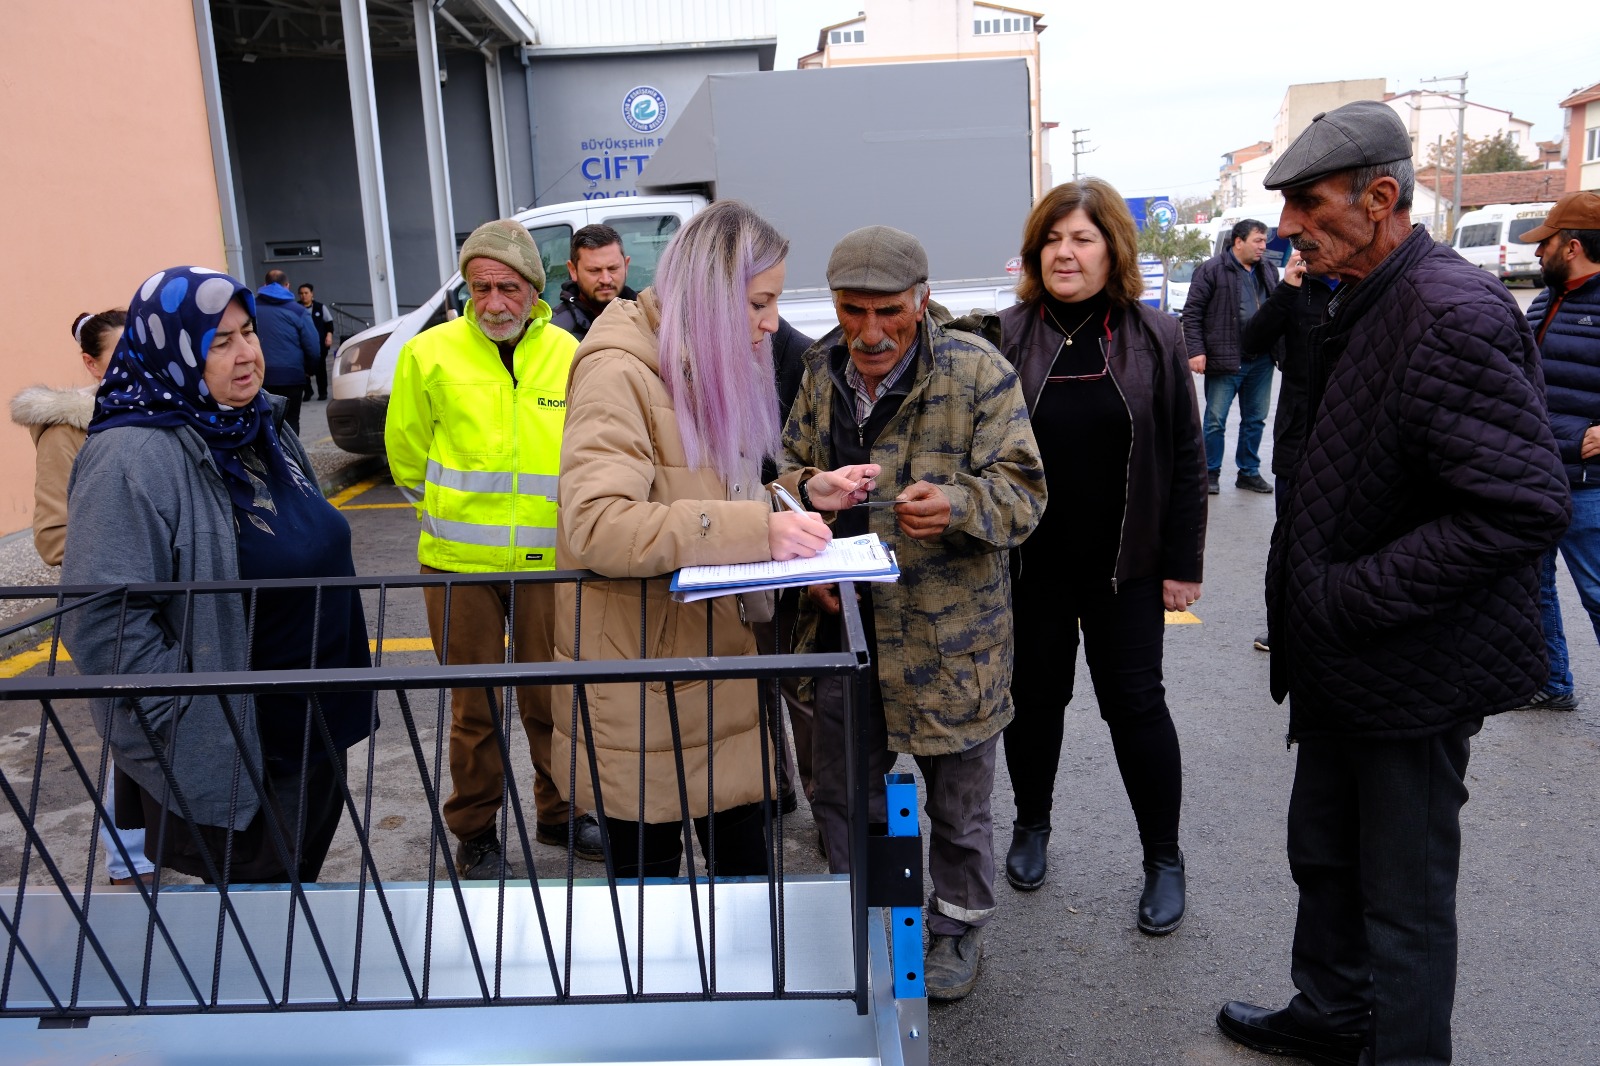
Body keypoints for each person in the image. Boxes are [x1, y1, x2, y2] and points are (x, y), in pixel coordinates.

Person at [1218, 101, 1569, 1066]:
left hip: (1411, 665)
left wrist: (1349, 596)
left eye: (1307, 203)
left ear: (1381, 198)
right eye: (1283, 204)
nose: (1288, 226)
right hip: (1342, 659)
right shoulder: (1348, 295)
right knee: (1324, 854)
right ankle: (1331, 1015)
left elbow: (1521, 506)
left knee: (1404, 903)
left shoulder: (1451, 311)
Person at [551, 200, 876, 881]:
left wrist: (797, 492)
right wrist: (759, 528)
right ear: (710, 293)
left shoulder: (694, 360)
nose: (770, 323)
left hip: (713, 672)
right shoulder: (620, 372)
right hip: (644, 690)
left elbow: (695, 496)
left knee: (746, 897)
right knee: (654, 914)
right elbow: (598, 524)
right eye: (760, 302)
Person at [778, 224, 1047, 1000]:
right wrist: (812, 543)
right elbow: (790, 469)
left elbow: (1027, 491)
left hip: (948, 639)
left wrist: (961, 504)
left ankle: (956, 929)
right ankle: (868, 917)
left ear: (922, 300)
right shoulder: (819, 367)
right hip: (843, 626)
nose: (869, 331)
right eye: (851, 309)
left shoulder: (975, 370)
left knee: (959, 809)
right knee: (846, 796)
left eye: (888, 311)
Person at [60, 267, 377, 884]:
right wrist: (192, 724)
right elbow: (104, 627)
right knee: (259, 928)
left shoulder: (261, 422)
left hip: (316, 727)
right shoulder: (132, 457)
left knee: (291, 899)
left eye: (249, 332)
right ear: (171, 350)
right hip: (243, 746)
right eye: (220, 341)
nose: (247, 354)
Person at [985, 180, 1206, 937]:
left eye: (1080, 238)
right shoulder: (1005, 335)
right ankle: (1032, 824)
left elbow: (1183, 450)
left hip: (1129, 565)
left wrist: (1184, 562)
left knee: (1136, 709)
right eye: (1052, 239)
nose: (1064, 252)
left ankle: (1164, 859)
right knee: (1035, 702)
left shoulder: (1156, 336)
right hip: (1032, 566)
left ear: (1113, 247)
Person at [386, 219, 604, 876]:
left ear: (534, 290)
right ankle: (475, 829)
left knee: (553, 699)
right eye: (480, 288)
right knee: (472, 707)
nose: (493, 303)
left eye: (508, 287)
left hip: (546, 563)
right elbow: (405, 456)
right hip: (457, 567)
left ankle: (560, 812)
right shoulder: (430, 355)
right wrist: (450, 518)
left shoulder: (568, 353)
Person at [10, 309, 156, 887]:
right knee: (134, 733)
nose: (134, 364)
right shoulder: (69, 429)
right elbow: (53, 537)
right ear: (91, 364)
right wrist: (137, 554)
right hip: (116, 609)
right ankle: (131, 859)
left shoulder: (167, 413)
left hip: (174, 602)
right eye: (119, 354)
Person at [1513, 191, 1600, 712]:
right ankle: (1552, 682)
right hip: (1536, 475)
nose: (1535, 253)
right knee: (1534, 588)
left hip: (1590, 484)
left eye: (1543, 243)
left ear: (1570, 247)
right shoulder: (1546, 299)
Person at [1239, 248, 1338, 652]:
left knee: (1342, 537)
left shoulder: (1365, 285)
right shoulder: (1298, 289)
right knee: (1290, 535)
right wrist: (1286, 288)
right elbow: (1252, 340)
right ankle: (1282, 627)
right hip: (1299, 431)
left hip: (1351, 428)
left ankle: (1332, 624)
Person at [1181, 219, 1281, 495]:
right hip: (1225, 357)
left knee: (1255, 419)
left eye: (1264, 241)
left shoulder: (1268, 270)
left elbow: (1278, 310)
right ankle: (1209, 473)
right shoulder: (1212, 270)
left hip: (1261, 359)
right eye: (1258, 240)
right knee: (1215, 420)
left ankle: (1248, 472)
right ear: (1239, 241)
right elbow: (1192, 313)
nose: (1263, 247)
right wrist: (1196, 351)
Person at [253, 268, 318, 432]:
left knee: (264, 421)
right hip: (292, 377)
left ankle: (270, 455)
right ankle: (292, 456)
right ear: (287, 286)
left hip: (261, 376)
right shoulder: (298, 311)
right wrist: (309, 370)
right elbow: (313, 346)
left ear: (264, 285)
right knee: (291, 421)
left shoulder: (250, 308)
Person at [549, 224, 637, 342]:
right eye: (594, 271)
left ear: (626, 265)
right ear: (573, 270)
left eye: (613, 268)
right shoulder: (554, 332)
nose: (606, 279)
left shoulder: (651, 319)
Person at [296, 282, 335, 401]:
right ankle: (308, 392)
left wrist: (329, 336)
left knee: (320, 368)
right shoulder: (295, 307)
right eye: (301, 293)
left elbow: (329, 323)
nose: (304, 296)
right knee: (303, 369)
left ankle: (322, 392)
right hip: (301, 343)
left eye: (306, 293)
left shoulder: (320, 307)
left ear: (312, 294)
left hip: (319, 344)